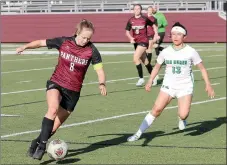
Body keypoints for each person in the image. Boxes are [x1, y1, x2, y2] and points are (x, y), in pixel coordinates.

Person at [16, 19, 107, 160]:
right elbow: (40, 42)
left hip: (73, 92)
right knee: (52, 109)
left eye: (88, 38)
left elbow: (99, 70)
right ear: (77, 32)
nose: (85, 40)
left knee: (53, 128)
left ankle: (36, 142)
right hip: (56, 82)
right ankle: (41, 147)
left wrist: (102, 83)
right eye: (83, 37)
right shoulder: (64, 42)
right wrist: (25, 47)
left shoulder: (92, 50)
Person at [127, 22, 215, 142]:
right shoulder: (166, 51)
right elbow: (157, 67)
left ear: (185, 37)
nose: (175, 36)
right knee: (156, 110)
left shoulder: (191, 51)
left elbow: (202, 69)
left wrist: (208, 84)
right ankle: (138, 133)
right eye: (173, 34)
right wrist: (150, 80)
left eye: (179, 34)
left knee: (183, 114)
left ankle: (182, 118)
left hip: (185, 86)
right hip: (168, 85)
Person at [125, 4, 159, 87]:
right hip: (136, 42)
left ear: (141, 10)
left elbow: (153, 25)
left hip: (144, 41)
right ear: (133, 10)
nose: (137, 10)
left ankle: (141, 78)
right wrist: (131, 38)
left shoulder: (144, 19)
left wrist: (156, 34)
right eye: (135, 9)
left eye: (138, 9)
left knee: (135, 58)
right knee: (145, 61)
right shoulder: (131, 20)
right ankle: (154, 77)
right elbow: (127, 31)